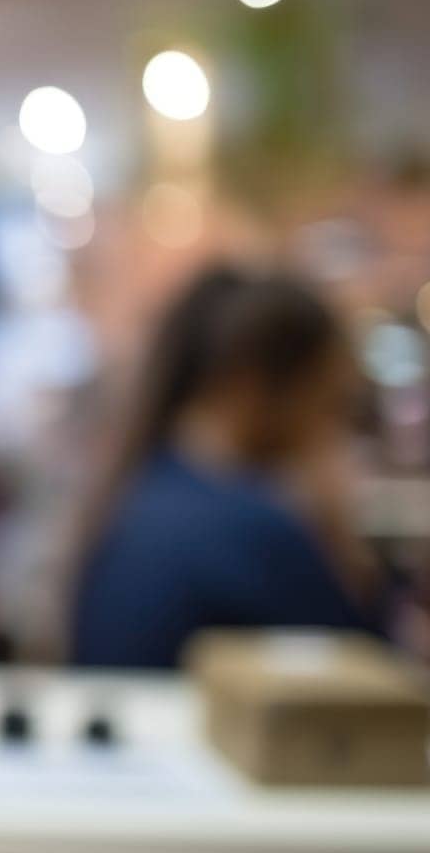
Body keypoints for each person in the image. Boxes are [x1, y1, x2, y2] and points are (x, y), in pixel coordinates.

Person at [70, 266, 383, 670]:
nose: (332, 432)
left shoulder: (137, 492)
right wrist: (340, 538)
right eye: (328, 403)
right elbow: (373, 690)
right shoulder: (256, 530)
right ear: (251, 385)